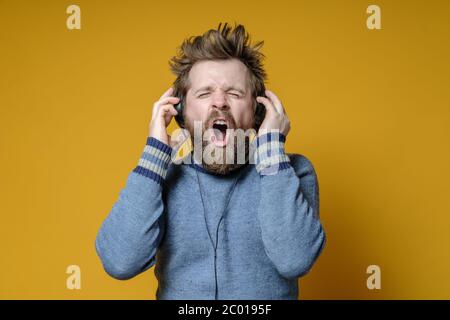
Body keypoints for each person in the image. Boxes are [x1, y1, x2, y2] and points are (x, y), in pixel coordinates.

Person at [95, 23, 326, 300]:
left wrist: (272, 150)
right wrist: (154, 155)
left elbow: (295, 259)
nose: (220, 102)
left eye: (235, 93)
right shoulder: (160, 178)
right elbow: (120, 262)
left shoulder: (293, 172)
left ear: (258, 112)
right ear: (179, 112)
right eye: (204, 93)